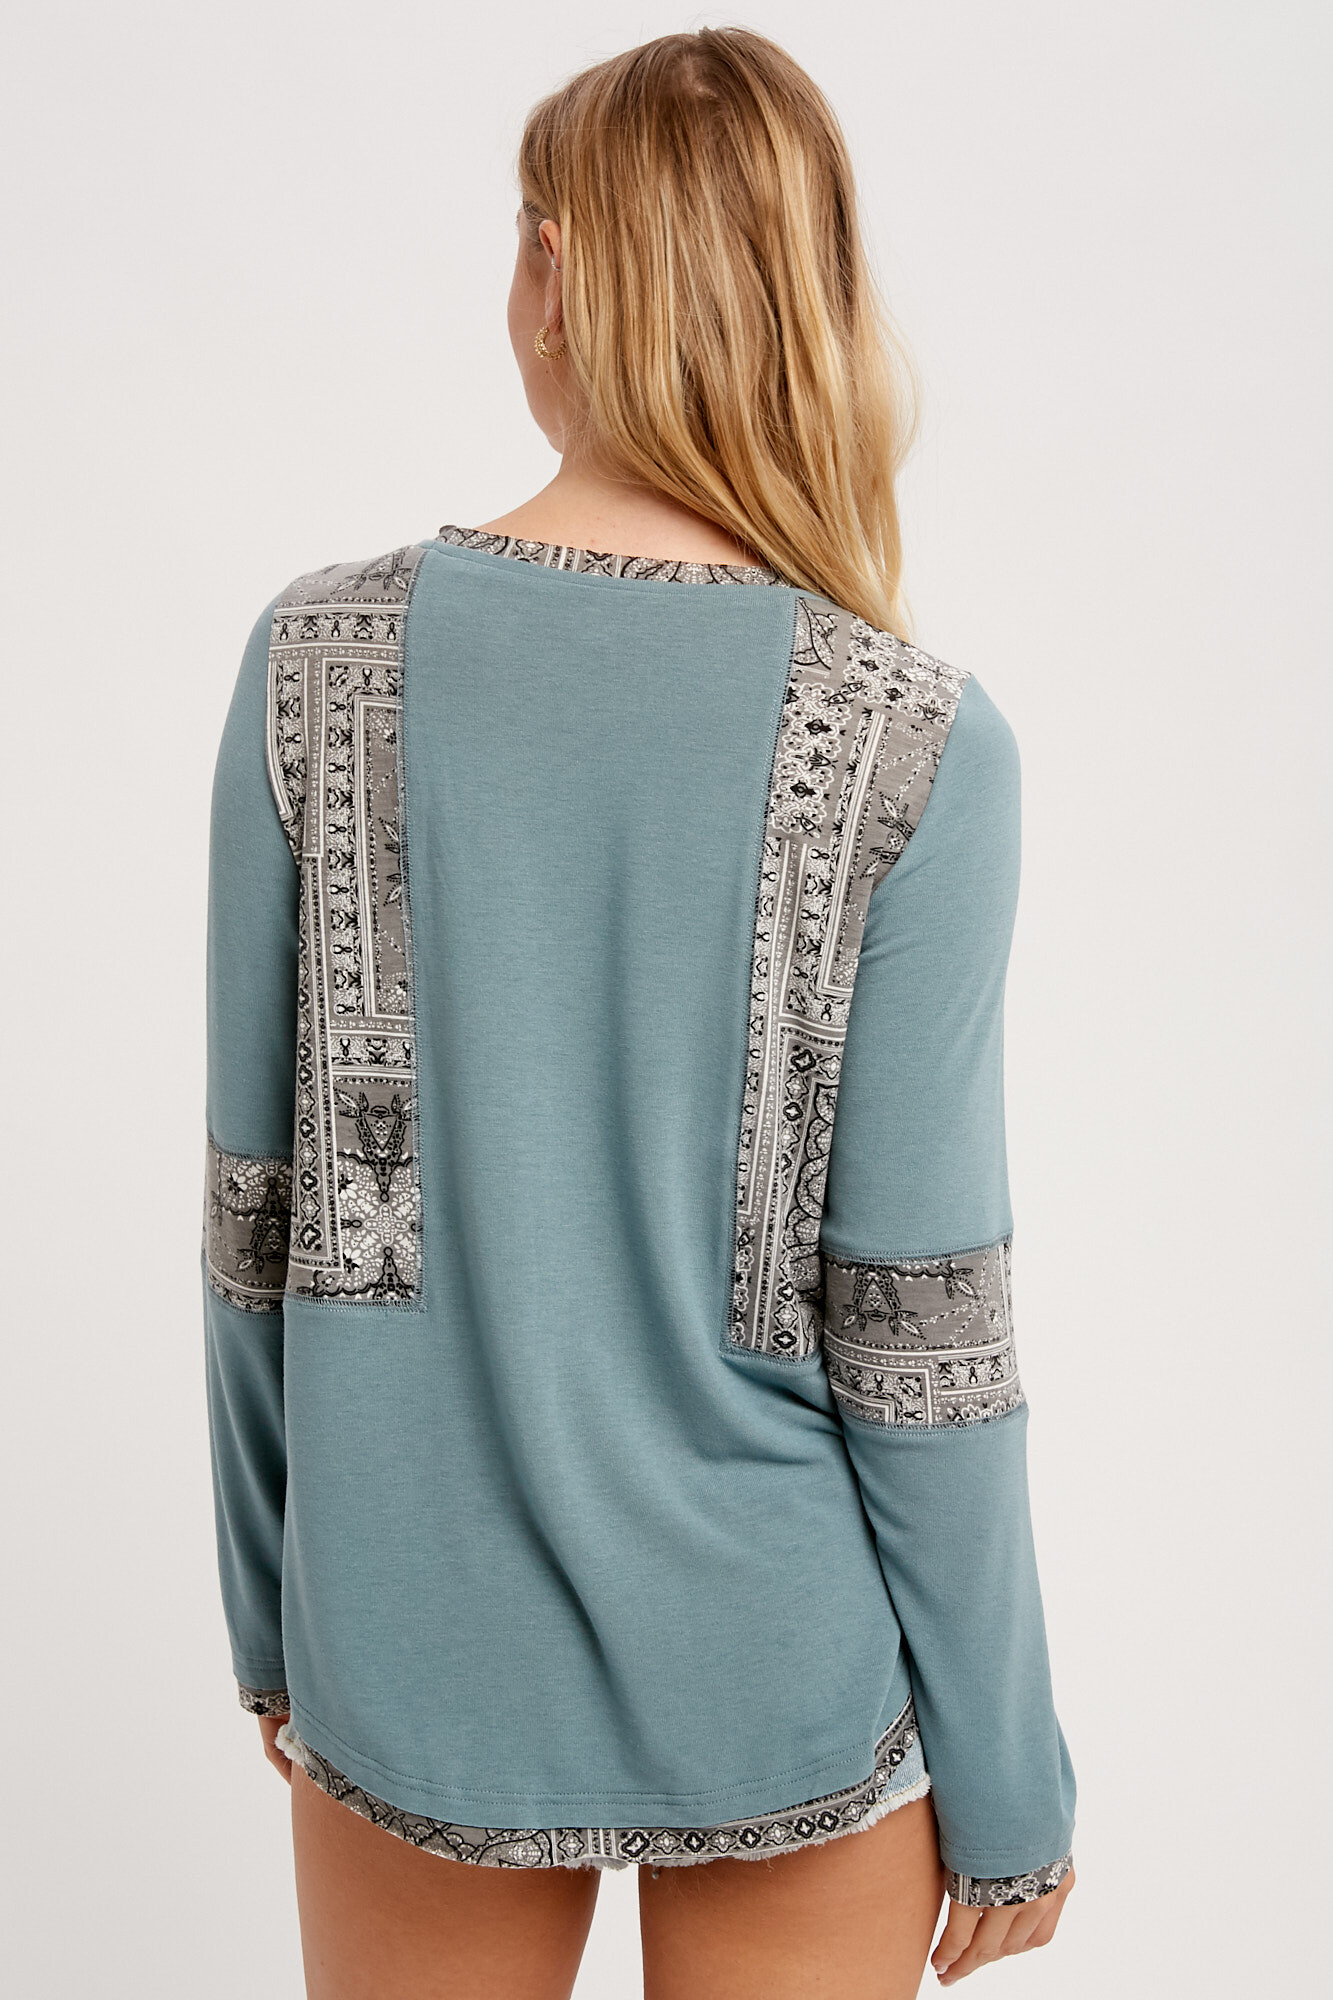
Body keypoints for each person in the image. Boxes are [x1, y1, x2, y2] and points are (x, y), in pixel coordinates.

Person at [201, 27, 1076, 1998]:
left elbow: (255, 1226)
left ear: (552, 267)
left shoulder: (315, 663)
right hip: (781, 1665)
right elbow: (922, 1331)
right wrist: (1009, 1773)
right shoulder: (919, 742)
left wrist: (277, 1620)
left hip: (404, 1645)